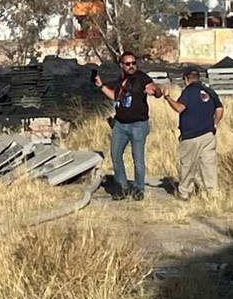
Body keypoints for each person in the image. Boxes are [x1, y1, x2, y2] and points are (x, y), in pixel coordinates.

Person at [93, 51, 163, 201]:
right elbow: (115, 96)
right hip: (120, 125)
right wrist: (101, 86)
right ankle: (122, 187)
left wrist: (155, 91)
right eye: (128, 64)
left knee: (137, 159)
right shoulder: (120, 80)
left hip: (138, 125)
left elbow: (156, 92)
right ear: (121, 65)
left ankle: (138, 188)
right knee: (115, 155)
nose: (131, 66)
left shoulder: (141, 77)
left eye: (133, 63)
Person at [164, 68, 224, 200]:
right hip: (208, 135)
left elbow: (180, 108)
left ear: (185, 79)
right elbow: (219, 108)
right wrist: (215, 123)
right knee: (209, 166)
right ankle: (212, 194)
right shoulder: (209, 91)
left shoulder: (188, 92)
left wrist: (167, 97)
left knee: (187, 165)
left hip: (191, 136)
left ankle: (185, 193)